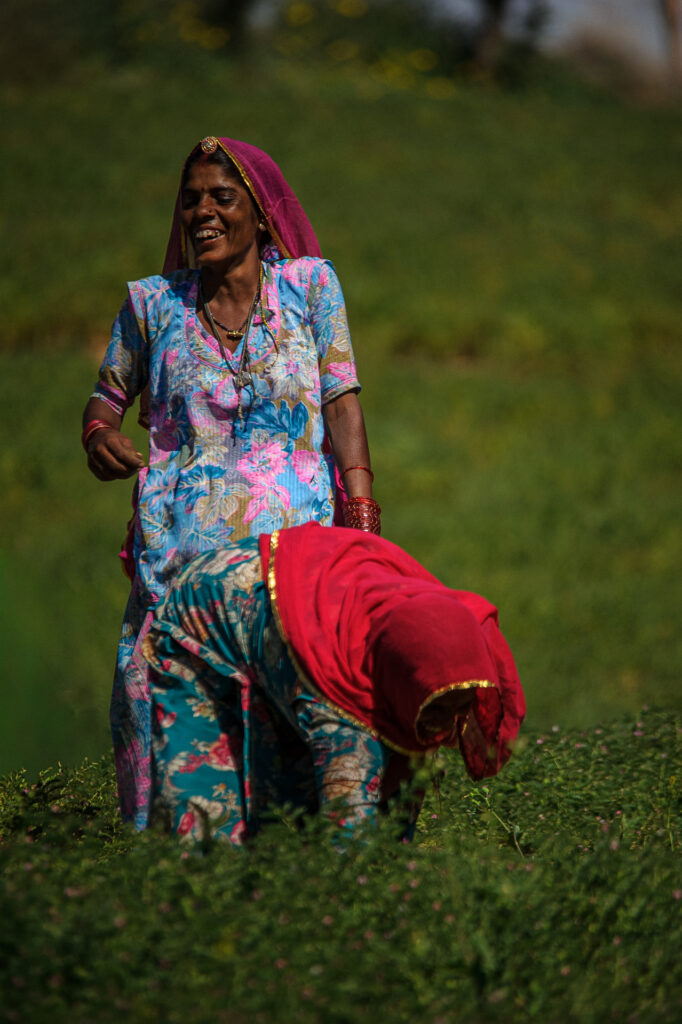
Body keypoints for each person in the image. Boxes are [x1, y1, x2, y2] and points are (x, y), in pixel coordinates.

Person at [81, 137, 380, 828]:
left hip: (289, 568)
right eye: (191, 200)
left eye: (222, 197)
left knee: (300, 748)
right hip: (179, 568)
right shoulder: (153, 305)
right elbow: (106, 398)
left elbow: (341, 399)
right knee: (183, 762)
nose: (203, 213)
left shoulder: (309, 287)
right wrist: (99, 436)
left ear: (262, 212)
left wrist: (362, 514)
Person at [142, 522, 526, 845]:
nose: (445, 725)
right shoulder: (343, 712)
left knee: (293, 815)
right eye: (438, 707)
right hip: (205, 613)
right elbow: (350, 846)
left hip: (297, 606)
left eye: (460, 705)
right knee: (210, 821)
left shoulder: (435, 630)